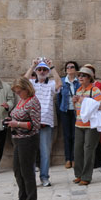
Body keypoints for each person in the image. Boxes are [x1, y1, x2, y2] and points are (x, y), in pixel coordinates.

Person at [24, 58, 62, 187]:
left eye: (44, 69)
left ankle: (44, 177)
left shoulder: (51, 84)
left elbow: (59, 84)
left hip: (46, 123)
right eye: (39, 69)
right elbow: (23, 82)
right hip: (31, 123)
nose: (42, 71)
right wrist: (32, 66)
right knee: (30, 152)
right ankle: (30, 180)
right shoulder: (31, 84)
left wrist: (52, 67)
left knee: (45, 153)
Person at [6, 77, 41, 200]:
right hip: (18, 139)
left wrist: (17, 124)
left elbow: (35, 124)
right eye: (16, 92)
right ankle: (22, 197)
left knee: (27, 171)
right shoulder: (22, 100)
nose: (18, 94)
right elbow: (17, 115)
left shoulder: (33, 102)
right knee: (18, 170)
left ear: (27, 89)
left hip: (28, 140)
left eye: (19, 91)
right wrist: (10, 119)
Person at [72, 66, 101, 186]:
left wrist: (85, 101)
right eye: (79, 75)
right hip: (79, 124)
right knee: (77, 150)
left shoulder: (95, 90)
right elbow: (78, 109)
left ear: (89, 78)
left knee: (88, 150)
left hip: (91, 125)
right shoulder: (78, 90)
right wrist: (75, 102)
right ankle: (79, 174)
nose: (80, 77)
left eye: (84, 75)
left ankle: (86, 177)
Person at [84, 64, 101, 172]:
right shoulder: (81, 87)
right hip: (86, 117)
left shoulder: (97, 85)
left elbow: (99, 101)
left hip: (96, 115)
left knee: (97, 140)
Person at [58, 61, 80, 170]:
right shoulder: (62, 81)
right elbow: (59, 97)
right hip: (65, 111)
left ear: (76, 69)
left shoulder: (79, 82)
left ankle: (75, 158)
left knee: (75, 135)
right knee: (67, 135)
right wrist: (60, 109)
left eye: (72, 67)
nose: (70, 69)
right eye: (68, 67)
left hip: (76, 111)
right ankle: (68, 159)